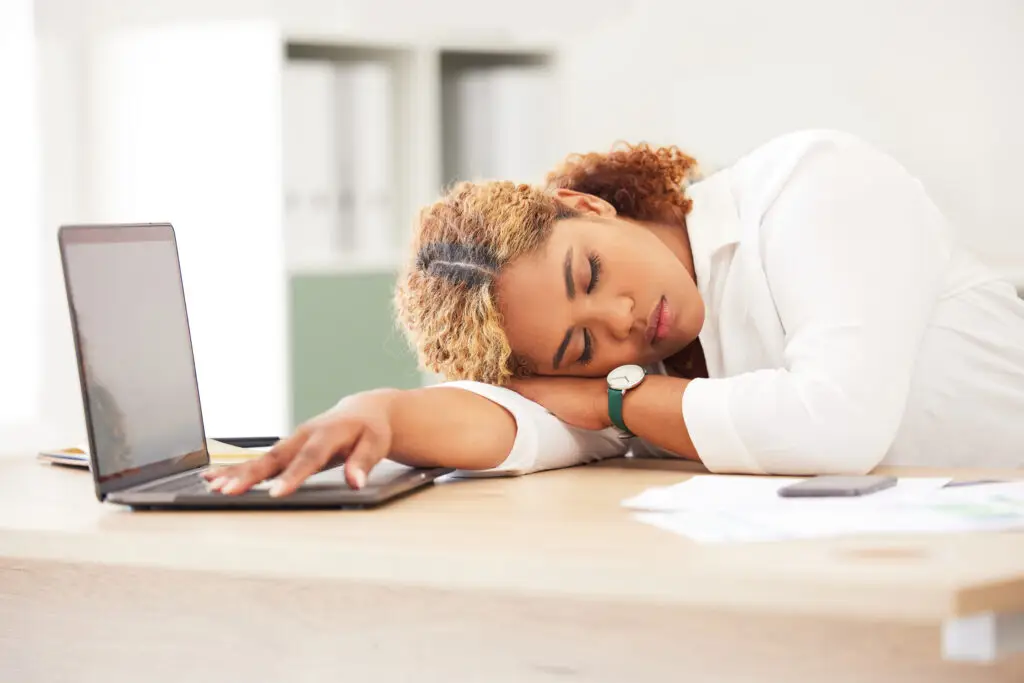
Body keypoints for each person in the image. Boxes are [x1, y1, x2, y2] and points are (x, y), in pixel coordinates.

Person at [205, 129, 1024, 497]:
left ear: (585, 206)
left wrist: (610, 397)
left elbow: (837, 428)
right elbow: (515, 425)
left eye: (589, 271)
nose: (624, 320)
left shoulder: (816, 184)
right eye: (577, 343)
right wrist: (380, 409)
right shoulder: (632, 371)